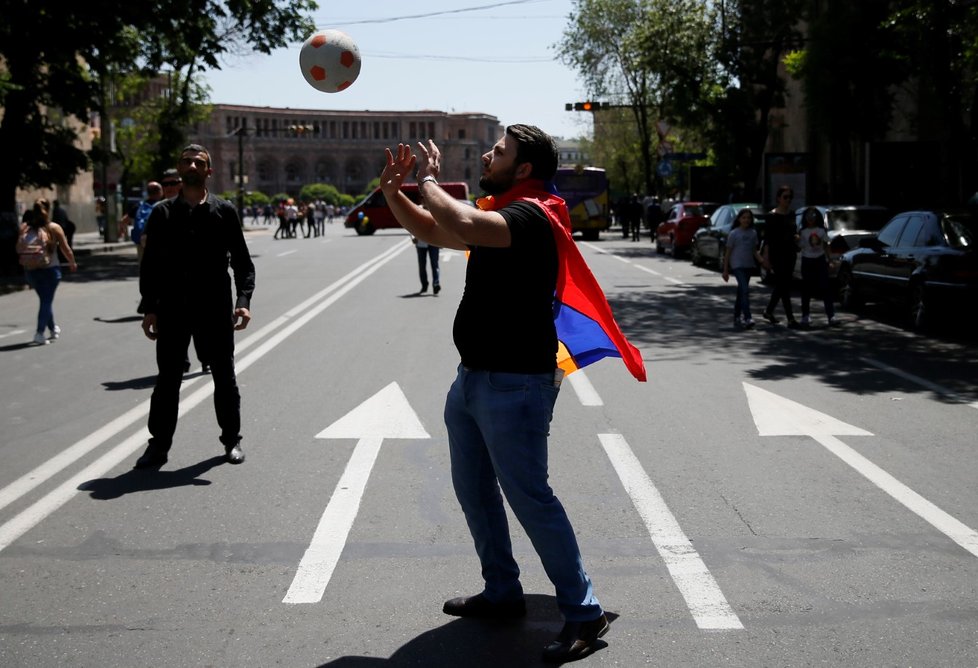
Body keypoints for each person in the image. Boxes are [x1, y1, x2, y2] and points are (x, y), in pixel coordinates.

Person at [379, 125, 609, 664]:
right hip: (472, 378)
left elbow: (457, 218)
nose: (489, 153)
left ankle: (583, 609)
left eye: (500, 151)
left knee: (530, 497)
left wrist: (431, 179)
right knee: (474, 490)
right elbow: (440, 232)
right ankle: (502, 589)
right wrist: (395, 193)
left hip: (516, 383)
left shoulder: (533, 214)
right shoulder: (502, 211)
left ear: (524, 169)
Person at [133, 144, 255, 469]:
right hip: (173, 309)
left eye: (198, 162)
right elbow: (151, 267)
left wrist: (243, 301)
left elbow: (242, 263)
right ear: (179, 167)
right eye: (186, 161)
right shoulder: (162, 214)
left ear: (208, 171)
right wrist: (149, 308)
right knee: (168, 381)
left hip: (214, 309)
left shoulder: (224, 211)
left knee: (225, 378)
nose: (191, 166)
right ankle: (158, 446)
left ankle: (232, 440)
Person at [16, 198, 77, 345]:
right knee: (46, 301)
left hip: (30, 270)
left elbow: (18, 247)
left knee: (45, 300)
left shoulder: (25, 227)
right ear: (48, 209)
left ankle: (53, 328)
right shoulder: (54, 227)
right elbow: (65, 248)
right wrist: (72, 262)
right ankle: (39, 333)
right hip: (50, 270)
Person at [722, 208, 768, 329]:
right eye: (744, 218)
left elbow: (754, 251)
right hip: (737, 266)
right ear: (739, 219)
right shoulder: (734, 234)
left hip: (749, 265)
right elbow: (728, 253)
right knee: (745, 290)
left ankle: (737, 316)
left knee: (741, 292)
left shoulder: (753, 233)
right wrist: (725, 270)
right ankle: (747, 317)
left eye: (748, 218)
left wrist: (762, 261)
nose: (746, 220)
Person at [762, 185, 800, 327]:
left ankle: (769, 311)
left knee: (783, 284)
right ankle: (790, 318)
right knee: (783, 284)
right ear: (778, 198)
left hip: (790, 252)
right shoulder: (771, 216)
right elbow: (767, 238)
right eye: (785, 197)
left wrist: (796, 237)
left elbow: (794, 231)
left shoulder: (792, 214)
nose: (788, 200)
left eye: (790, 197)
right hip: (777, 254)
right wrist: (766, 257)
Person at [798, 206, 837, 327]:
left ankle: (831, 316)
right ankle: (805, 315)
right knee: (806, 289)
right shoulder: (802, 232)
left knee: (825, 288)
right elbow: (799, 246)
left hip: (820, 260)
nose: (810, 218)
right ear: (805, 218)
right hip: (807, 260)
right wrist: (796, 240)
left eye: (813, 215)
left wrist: (830, 260)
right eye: (808, 216)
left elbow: (826, 246)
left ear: (817, 217)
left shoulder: (821, 230)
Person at [128, 182, 163, 262]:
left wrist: (122, 231)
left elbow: (124, 220)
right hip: (158, 241)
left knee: (143, 265)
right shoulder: (163, 205)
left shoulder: (140, 205)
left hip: (141, 241)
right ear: (160, 192)